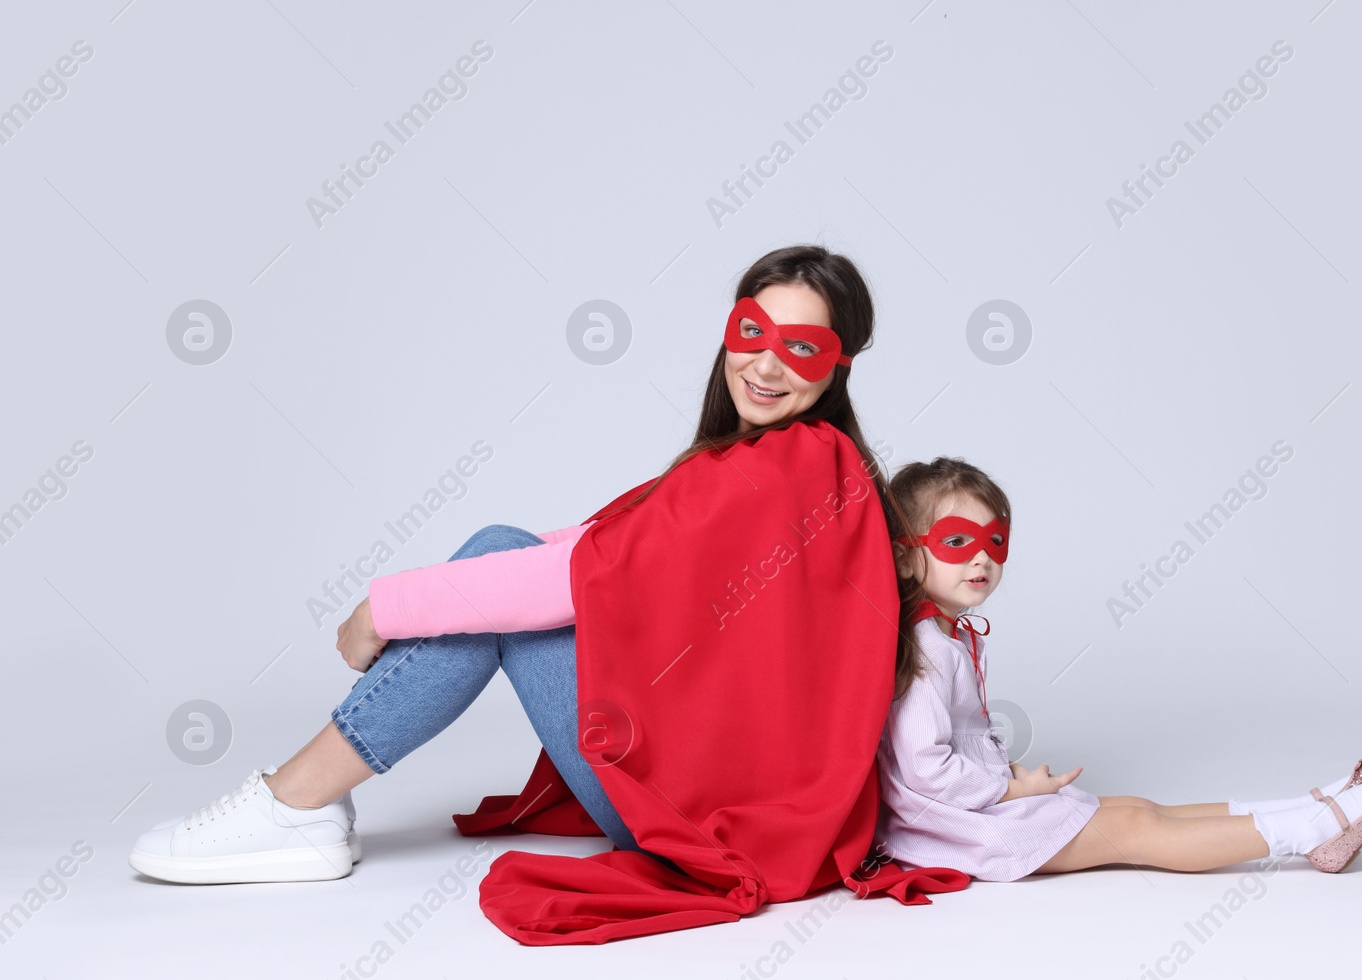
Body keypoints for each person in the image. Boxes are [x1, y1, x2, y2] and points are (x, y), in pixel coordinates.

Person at [128, 245, 917, 891]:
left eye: (800, 348)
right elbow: (614, 544)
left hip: (696, 817)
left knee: (499, 585)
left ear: (837, 365)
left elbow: (577, 576)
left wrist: (382, 609)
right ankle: (302, 805)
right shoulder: (813, 465)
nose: (766, 365)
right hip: (739, 802)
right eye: (752, 332)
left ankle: (295, 801)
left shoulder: (783, 467)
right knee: (505, 554)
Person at [874, 456, 1362, 881]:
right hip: (954, 828)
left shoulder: (951, 635)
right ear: (904, 557)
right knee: (1132, 827)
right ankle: (1314, 830)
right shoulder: (925, 647)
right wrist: (1014, 790)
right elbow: (925, 769)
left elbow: (959, 743)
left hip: (972, 806)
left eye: (995, 542)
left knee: (1135, 805)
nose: (982, 558)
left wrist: (1010, 774)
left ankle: (1307, 804)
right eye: (957, 541)